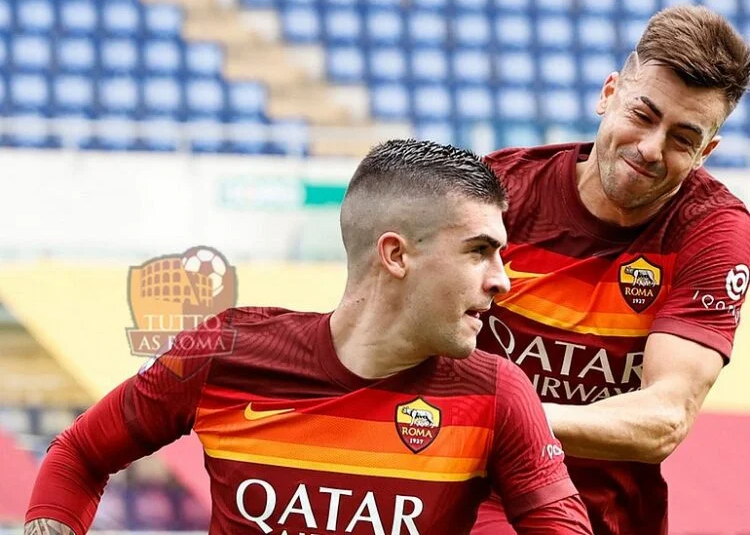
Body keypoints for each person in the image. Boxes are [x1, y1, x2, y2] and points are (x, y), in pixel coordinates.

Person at [25, 140, 593, 534]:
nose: (502, 279)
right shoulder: (224, 351)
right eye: (479, 251)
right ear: (395, 255)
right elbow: (77, 455)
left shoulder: (498, 395)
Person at [471, 5, 750, 535]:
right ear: (608, 94)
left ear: (706, 151)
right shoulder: (497, 192)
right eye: (643, 116)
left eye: (682, 138)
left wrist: (495, 414)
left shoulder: (712, 231)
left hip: (604, 512)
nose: (650, 149)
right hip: (475, 490)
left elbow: (665, 418)